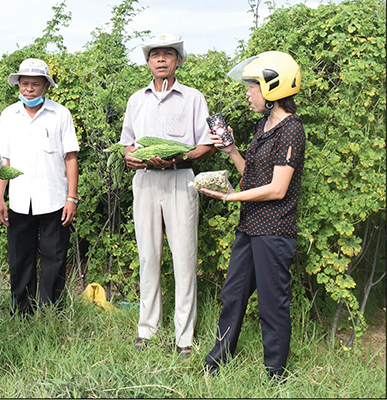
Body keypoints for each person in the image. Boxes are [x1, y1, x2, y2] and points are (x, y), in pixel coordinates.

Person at [201, 51, 304, 380]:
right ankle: (217, 361)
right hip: (249, 227)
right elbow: (253, 177)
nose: (248, 93)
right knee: (233, 295)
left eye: (252, 86)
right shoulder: (264, 125)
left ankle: (276, 374)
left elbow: (277, 189)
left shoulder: (291, 130)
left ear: (273, 87)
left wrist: (230, 196)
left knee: (272, 305)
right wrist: (232, 150)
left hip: (274, 232)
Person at [120, 33, 215, 357]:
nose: (161, 59)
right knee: (148, 256)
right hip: (145, 181)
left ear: (179, 61)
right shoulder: (137, 100)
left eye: (168, 54)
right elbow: (128, 143)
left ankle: (184, 337)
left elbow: (206, 144)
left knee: (184, 257)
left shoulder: (193, 98)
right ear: (148, 62)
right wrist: (130, 158)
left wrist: (180, 156)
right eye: (155, 54)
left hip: (180, 180)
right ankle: (147, 328)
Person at [0, 58, 80, 317]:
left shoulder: (60, 114)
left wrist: (71, 197)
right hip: (20, 200)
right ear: (18, 85)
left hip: (54, 199)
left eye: (35, 84)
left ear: (46, 87)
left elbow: (70, 157)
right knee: (19, 258)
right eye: (25, 83)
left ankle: (49, 312)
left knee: (55, 257)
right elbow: (3, 160)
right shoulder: (9, 115)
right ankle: (21, 312)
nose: (29, 89)